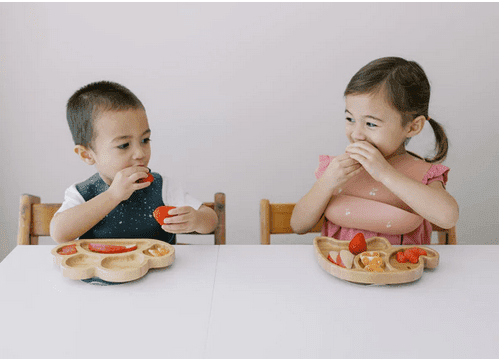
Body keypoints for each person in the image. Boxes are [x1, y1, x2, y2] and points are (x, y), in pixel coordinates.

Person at [291, 57, 459, 245]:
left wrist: (385, 174)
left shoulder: (422, 174)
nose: (356, 134)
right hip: (339, 270)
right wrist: (326, 183)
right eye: (350, 119)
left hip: (400, 273)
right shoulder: (336, 169)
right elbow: (298, 225)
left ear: (412, 127)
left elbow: (448, 217)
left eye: (371, 123)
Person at [50, 81, 218, 244]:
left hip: (160, 270)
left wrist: (196, 220)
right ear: (87, 155)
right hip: (100, 272)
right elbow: (59, 233)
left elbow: (211, 221)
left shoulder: (162, 187)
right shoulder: (82, 193)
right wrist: (112, 195)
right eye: (124, 145)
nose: (140, 153)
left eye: (145, 140)